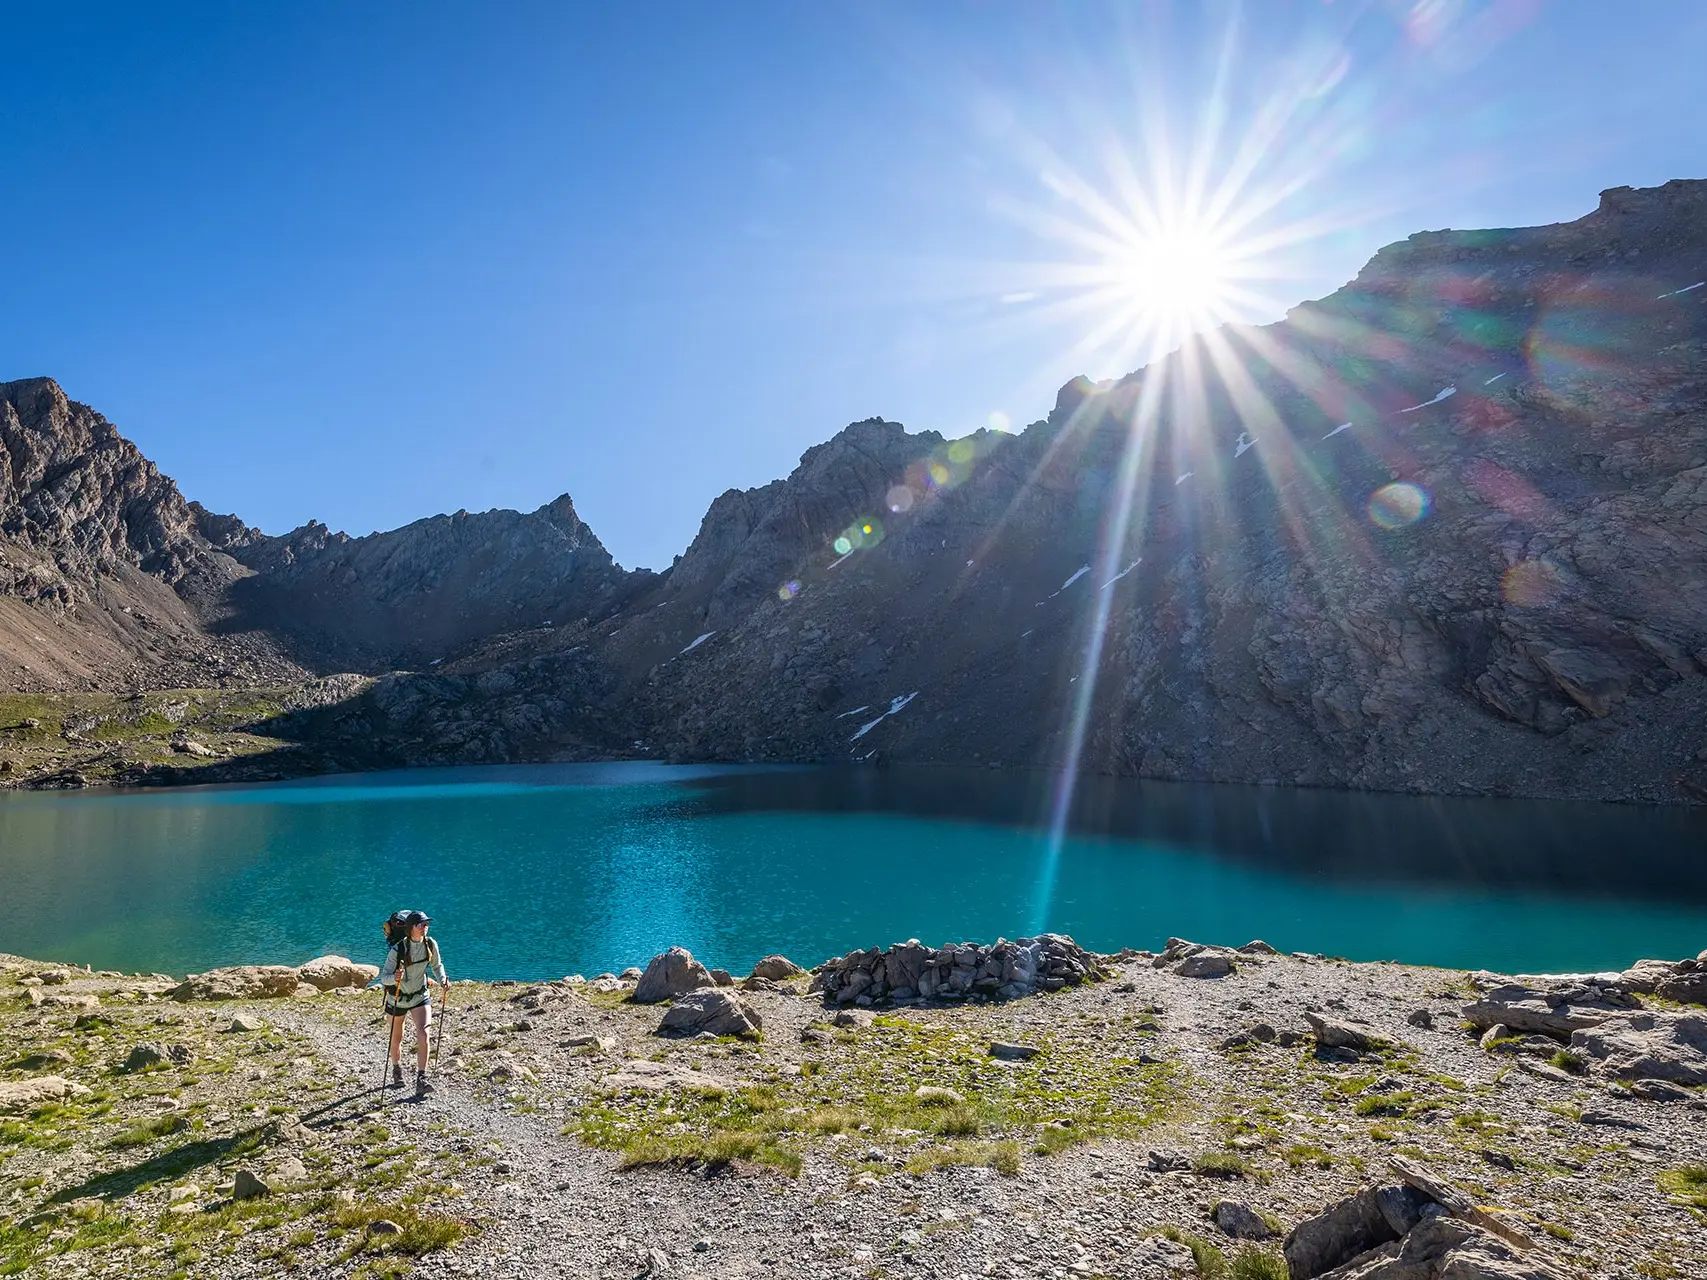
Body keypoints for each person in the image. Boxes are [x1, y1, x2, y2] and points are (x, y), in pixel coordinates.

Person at [376, 909, 448, 1095]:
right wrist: (395, 978)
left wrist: (443, 980)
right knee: (397, 1036)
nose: (426, 927)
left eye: (426, 924)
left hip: (419, 996)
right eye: (421, 924)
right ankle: (396, 1068)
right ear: (411, 928)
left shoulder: (430, 944)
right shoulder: (397, 950)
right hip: (397, 998)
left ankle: (421, 1078)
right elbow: (384, 978)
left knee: (424, 1033)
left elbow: (437, 966)